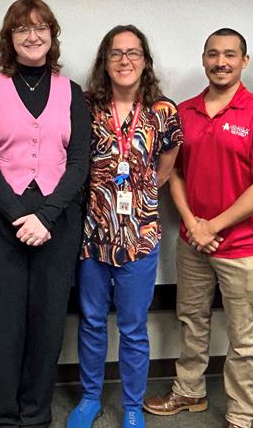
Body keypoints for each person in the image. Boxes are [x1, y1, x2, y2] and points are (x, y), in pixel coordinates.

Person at [142, 28, 253, 428]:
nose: (220, 62)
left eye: (229, 54)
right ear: (203, 59)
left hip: (244, 246)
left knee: (243, 338)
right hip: (193, 244)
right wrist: (192, 224)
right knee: (192, 321)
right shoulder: (183, 112)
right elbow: (173, 174)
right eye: (212, 54)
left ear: (244, 61)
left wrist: (213, 227)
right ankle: (190, 393)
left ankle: (240, 415)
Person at [0, 0, 90, 428]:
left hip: (56, 221)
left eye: (41, 28)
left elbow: (79, 163)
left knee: (47, 321)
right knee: (0, 324)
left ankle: (36, 416)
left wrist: (46, 215)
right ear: (10, 38)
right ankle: (1, 417)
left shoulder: (71, 91)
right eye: (22, 29)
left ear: (52, 35)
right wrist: (21, 215)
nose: (33, 36)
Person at [66, 25, 182, 428]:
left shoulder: (163, 111)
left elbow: (165, 165)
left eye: (133, 53)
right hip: (92, 235)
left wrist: (139, 194)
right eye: (116, 53)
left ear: (145, 60)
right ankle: (91, 397)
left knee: (133, 327)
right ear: (105, 61)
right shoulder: (84, 107)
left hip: (141, 235)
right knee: (92, 320)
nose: (125, 61)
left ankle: (132, 404)